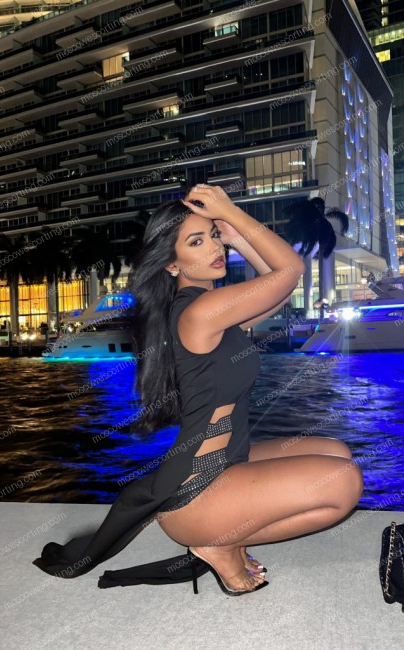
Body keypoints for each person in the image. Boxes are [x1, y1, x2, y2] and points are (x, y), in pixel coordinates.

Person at [33, 185, 363, 595]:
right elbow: (290, 270)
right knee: (344, 481)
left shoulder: (216, 311)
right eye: (196, 241)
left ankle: (227, 532)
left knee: (338, 452)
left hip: (228, 462)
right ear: (171, 264)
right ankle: (218, 542)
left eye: (214, 236)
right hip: (197, 490)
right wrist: (232, 212)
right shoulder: (200, 312)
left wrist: (234, 233)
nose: (214, 247)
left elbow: (278, 287)